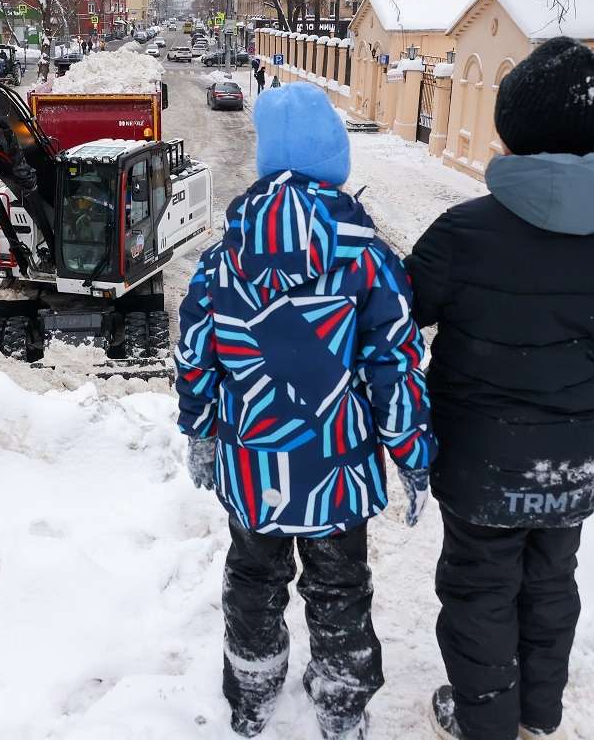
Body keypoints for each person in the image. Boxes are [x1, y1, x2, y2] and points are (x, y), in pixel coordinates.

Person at [405, 37, 594, 740]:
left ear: (511, 125)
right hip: (574, 458)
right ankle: (538, 715)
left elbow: (396, 318)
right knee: (552, 582)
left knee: (480, 588)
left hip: (477, 458)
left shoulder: (463, 232)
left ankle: (483, 723)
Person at [175, 82, 437, 740]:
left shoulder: (222, 260)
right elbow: (395, 366)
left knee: (254, 577)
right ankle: (341, 702)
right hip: (336, 473)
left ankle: (253, 691)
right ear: (334, 160)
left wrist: (202, 430)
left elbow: (194, 355)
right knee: (340, 587)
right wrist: (412, 453)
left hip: (254, 467)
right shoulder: (369, 260)